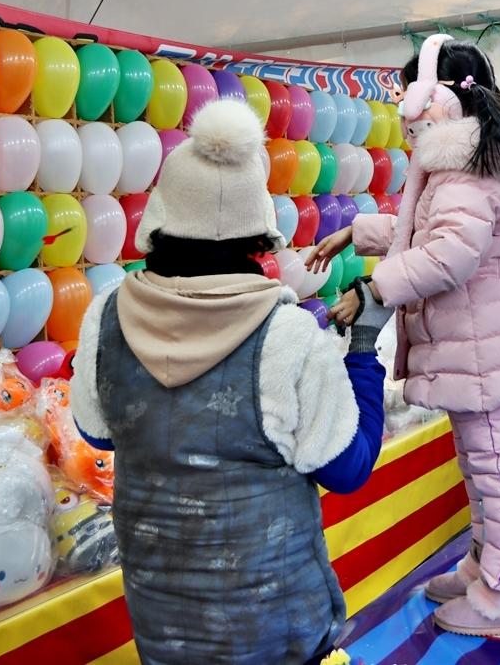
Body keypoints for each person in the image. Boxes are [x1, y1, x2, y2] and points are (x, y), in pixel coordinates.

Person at [69, 99, 387, 665]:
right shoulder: (286, 334)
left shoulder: (106, 315)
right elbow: (348, 468)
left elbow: (96, 433)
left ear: (159, 219)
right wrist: (364, 346)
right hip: (279, 625)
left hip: (161, 623)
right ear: (260, 233)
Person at [307, 35, 500, 636]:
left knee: (499, 472)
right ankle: (490, 567)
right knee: (484, 468)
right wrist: (359, 232)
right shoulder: (462, 168)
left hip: (482, 345)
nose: (405, 110)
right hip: (474, 346)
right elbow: (427, 229)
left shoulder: (463, 176)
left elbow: (448, 255)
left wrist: (375, 290)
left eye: (411, 95)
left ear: (442, 102)